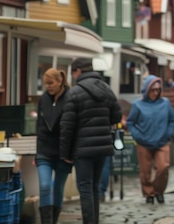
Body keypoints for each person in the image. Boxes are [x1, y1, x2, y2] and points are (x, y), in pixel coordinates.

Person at [60, 57, 122, 224]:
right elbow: (117, 116)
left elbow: (67, 126)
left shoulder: (74, 92)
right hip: (103, 147)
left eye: (72, 72)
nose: (72, 76)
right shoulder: (107, 89)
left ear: (78, 71)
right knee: (94, 187)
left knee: (85, 188)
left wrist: (65, 153)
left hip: (83, 148)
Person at [127, 75, 174, 204]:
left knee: (163, 167)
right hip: (144, 142)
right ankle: (149, 193)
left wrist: (168, 133)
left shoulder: (165, 103)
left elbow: (172, 119)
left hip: (162, 141)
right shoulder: (138, 104)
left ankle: (159, 191)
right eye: (153, 89)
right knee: (145, 171)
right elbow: (130, 122)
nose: (155, 92)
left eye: (158, 89)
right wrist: (138, 136)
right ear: (147, 89)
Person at [36, 68, 73, 224]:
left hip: (63, 151)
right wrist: (36, 151)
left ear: (60, 82)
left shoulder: (70, 98)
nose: (48, 87)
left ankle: (54, 220)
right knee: (45, 186)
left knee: (58, 189)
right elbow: (38, 125)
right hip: (44, 150)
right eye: (46, 84)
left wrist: (71, 152)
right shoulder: (43, 99)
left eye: (51, 83)